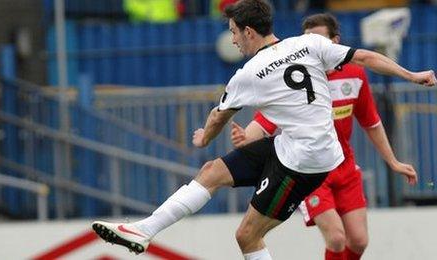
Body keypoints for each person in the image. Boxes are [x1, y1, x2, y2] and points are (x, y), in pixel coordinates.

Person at [91, 0, 436, 258]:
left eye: (233, 33)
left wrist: (203, 137)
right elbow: (365, 58)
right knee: (212, 171)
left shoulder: (250, 73)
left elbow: (218, 116)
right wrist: (412, 75)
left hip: (303, 164)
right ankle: (143, 229)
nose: (234, 41)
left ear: (249, 31)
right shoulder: (308, 44)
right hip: (295, 147)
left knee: (247, 236)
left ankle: (146, 229)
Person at [229, 13, 417, 260]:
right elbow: (266, 121)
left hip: (344, 165)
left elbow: (371, 122)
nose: (311, 47)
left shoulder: (355, 75)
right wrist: (247, 136)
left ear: (334, 42)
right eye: (306, 40)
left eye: (317, 39)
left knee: (359, 241)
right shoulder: (294, 75)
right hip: (310, 170)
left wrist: (393, 161)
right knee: (337, 238)